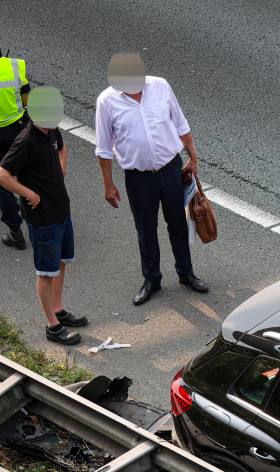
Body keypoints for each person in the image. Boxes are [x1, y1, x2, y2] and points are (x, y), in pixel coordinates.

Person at [94, 52, 207, 306]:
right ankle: (152, 280)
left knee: (178, 224)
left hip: (171, 170)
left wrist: (193, 157)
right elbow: (103, 149)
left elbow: (181, 124)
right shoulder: (107, 102)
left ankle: (186, 273)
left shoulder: (160, 86)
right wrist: (107, 184)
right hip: (138, 178)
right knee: (146, 231)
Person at [0, 87, 87, 345]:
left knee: (60, 262)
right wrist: (28, 193)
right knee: (46, 272)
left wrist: (62, 167)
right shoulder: (25, 140)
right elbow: (3, 174)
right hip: (43, 219)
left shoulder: (50, 131)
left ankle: (59, 311)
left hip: (61, 210)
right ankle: (52, 326)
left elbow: (62, 148)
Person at [0, 50, 31, 250]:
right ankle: (46, 219)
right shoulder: (14, 66)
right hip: (19, 130)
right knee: (29, 172)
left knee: (3, 180)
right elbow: (26, 99)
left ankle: (15, 232)